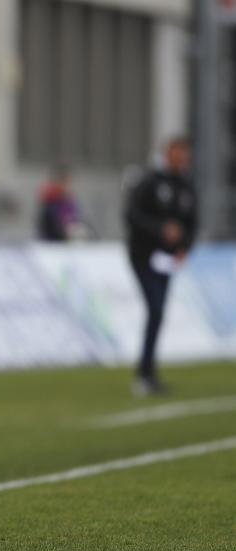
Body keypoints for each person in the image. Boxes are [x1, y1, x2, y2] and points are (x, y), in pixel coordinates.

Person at [125, 137, 198, 396]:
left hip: (167, 261)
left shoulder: (186, 186)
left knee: (158, 313)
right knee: (155, 310)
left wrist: (184, 247)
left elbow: (191, 223)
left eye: (185, 154)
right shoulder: (149, 182)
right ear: (167, 154)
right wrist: (160, 230)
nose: (182, 158)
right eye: (178, 153)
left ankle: (148, 372)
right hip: (144, 256)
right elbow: (133, 215)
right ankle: (145, 374)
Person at [37, 164, 82, 241]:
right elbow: (49, 229)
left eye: (69, 182)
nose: (67, 186)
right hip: (53, 245)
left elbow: (75, 220)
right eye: (64, 182)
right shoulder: (51, 203)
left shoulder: (70, 202)